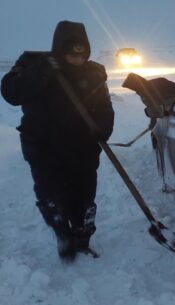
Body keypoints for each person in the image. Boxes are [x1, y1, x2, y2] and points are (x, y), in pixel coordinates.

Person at [1, 20, 114, 262]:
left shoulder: (94, 72)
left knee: (83, 197)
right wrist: (41, 73)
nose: (77, 61)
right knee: (51, 194)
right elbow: (10, 93)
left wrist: (102, 129)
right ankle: (62, 233)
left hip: (82, 146)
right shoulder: (32, 63)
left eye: (82, 56)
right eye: (72, 55)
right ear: (59, 49)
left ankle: (82, 238)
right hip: (43, 145)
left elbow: (105, 107)